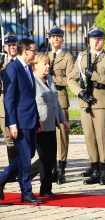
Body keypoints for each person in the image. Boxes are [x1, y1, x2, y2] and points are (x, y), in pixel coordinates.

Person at [68, 26, 105, 185]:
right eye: (94, 39)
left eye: (100, 39)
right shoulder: (82, 56)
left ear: (103, 40)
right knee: (89, 137)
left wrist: (94, 75)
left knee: (102, 137)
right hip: (85, 101)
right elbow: (71, 79)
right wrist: (79, 93)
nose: (97, 41)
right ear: (89, 40)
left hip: (101, 101)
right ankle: (95, 169)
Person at [0, 39, 44, 204]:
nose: (35, 53)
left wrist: (37, 119)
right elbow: (9, 100)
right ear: (25, 51)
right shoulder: (13, 69)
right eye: (33, 50)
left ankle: (2, 178)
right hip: (19, 121)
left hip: (30, 119)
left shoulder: (26, 68)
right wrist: (12, 123)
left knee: (29, 153)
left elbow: (30, 97)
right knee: (25, 157)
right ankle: (26, 192)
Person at [31, 53, 69, 198]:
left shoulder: (50, 79)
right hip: (38, 125)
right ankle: (40, 185)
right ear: (36, 65)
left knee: (50, 156)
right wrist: (35, 121)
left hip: (50, 124)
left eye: (48, 63)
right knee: (44, 156)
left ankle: (45, 188)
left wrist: (62, 119)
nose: (48, 66)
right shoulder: (32, 81)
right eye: (45, 64)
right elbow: (30, 104)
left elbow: (56, 102)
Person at [48, 25, 74, 184]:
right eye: (53, 36)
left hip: (61, 97)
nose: (56, 38)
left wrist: (52, 79)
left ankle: (61, 169)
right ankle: (52, 169)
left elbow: (70, 80)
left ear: (62, 39)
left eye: (59, 36)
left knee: (62, 136)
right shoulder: (44, 55)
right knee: (49, 135)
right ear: (49, 39)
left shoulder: (68, 57)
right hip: (46, 99)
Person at [0, 33, 18, 182]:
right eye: (9, 45)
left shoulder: (21, 62)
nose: (12, 47)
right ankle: (12, 170)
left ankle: (20, 169)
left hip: (17, 105)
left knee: (18, 138)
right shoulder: (3, 63)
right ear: (5, 47)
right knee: (8, 139)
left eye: (14, 44)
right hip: (3, 105)